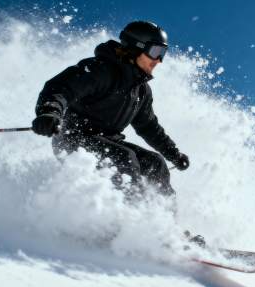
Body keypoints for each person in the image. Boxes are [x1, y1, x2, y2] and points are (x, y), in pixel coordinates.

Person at [31, 21, 190, 197]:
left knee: (155, 163)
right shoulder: (101, 70)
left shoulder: (141, 90)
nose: (159, 60)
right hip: (72, 138)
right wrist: (50, 112)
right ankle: (130, 217)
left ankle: (164, 219)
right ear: (136, 47)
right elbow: (61, 88)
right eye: (155, 51)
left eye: (163, 53)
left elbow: (148, 126)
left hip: (109, 142)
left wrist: (173, 154)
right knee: (124, 158)